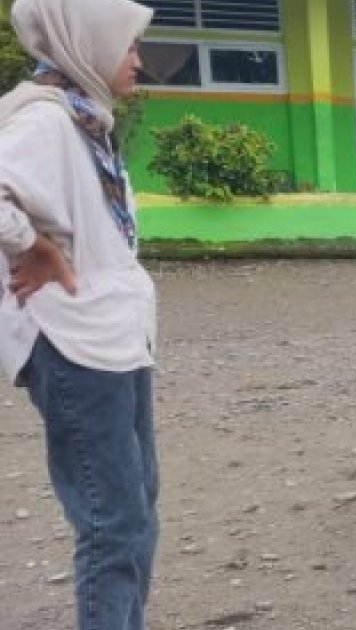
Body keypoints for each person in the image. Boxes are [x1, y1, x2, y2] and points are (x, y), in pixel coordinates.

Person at [0, 1, 158, 628]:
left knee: (137, 509)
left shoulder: (83, 116)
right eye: (128, 47)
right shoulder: (43, 122)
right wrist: (29, 244)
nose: (139, 61)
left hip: (114, 338)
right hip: (75, 344)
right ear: (86, 44)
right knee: (112, 521)